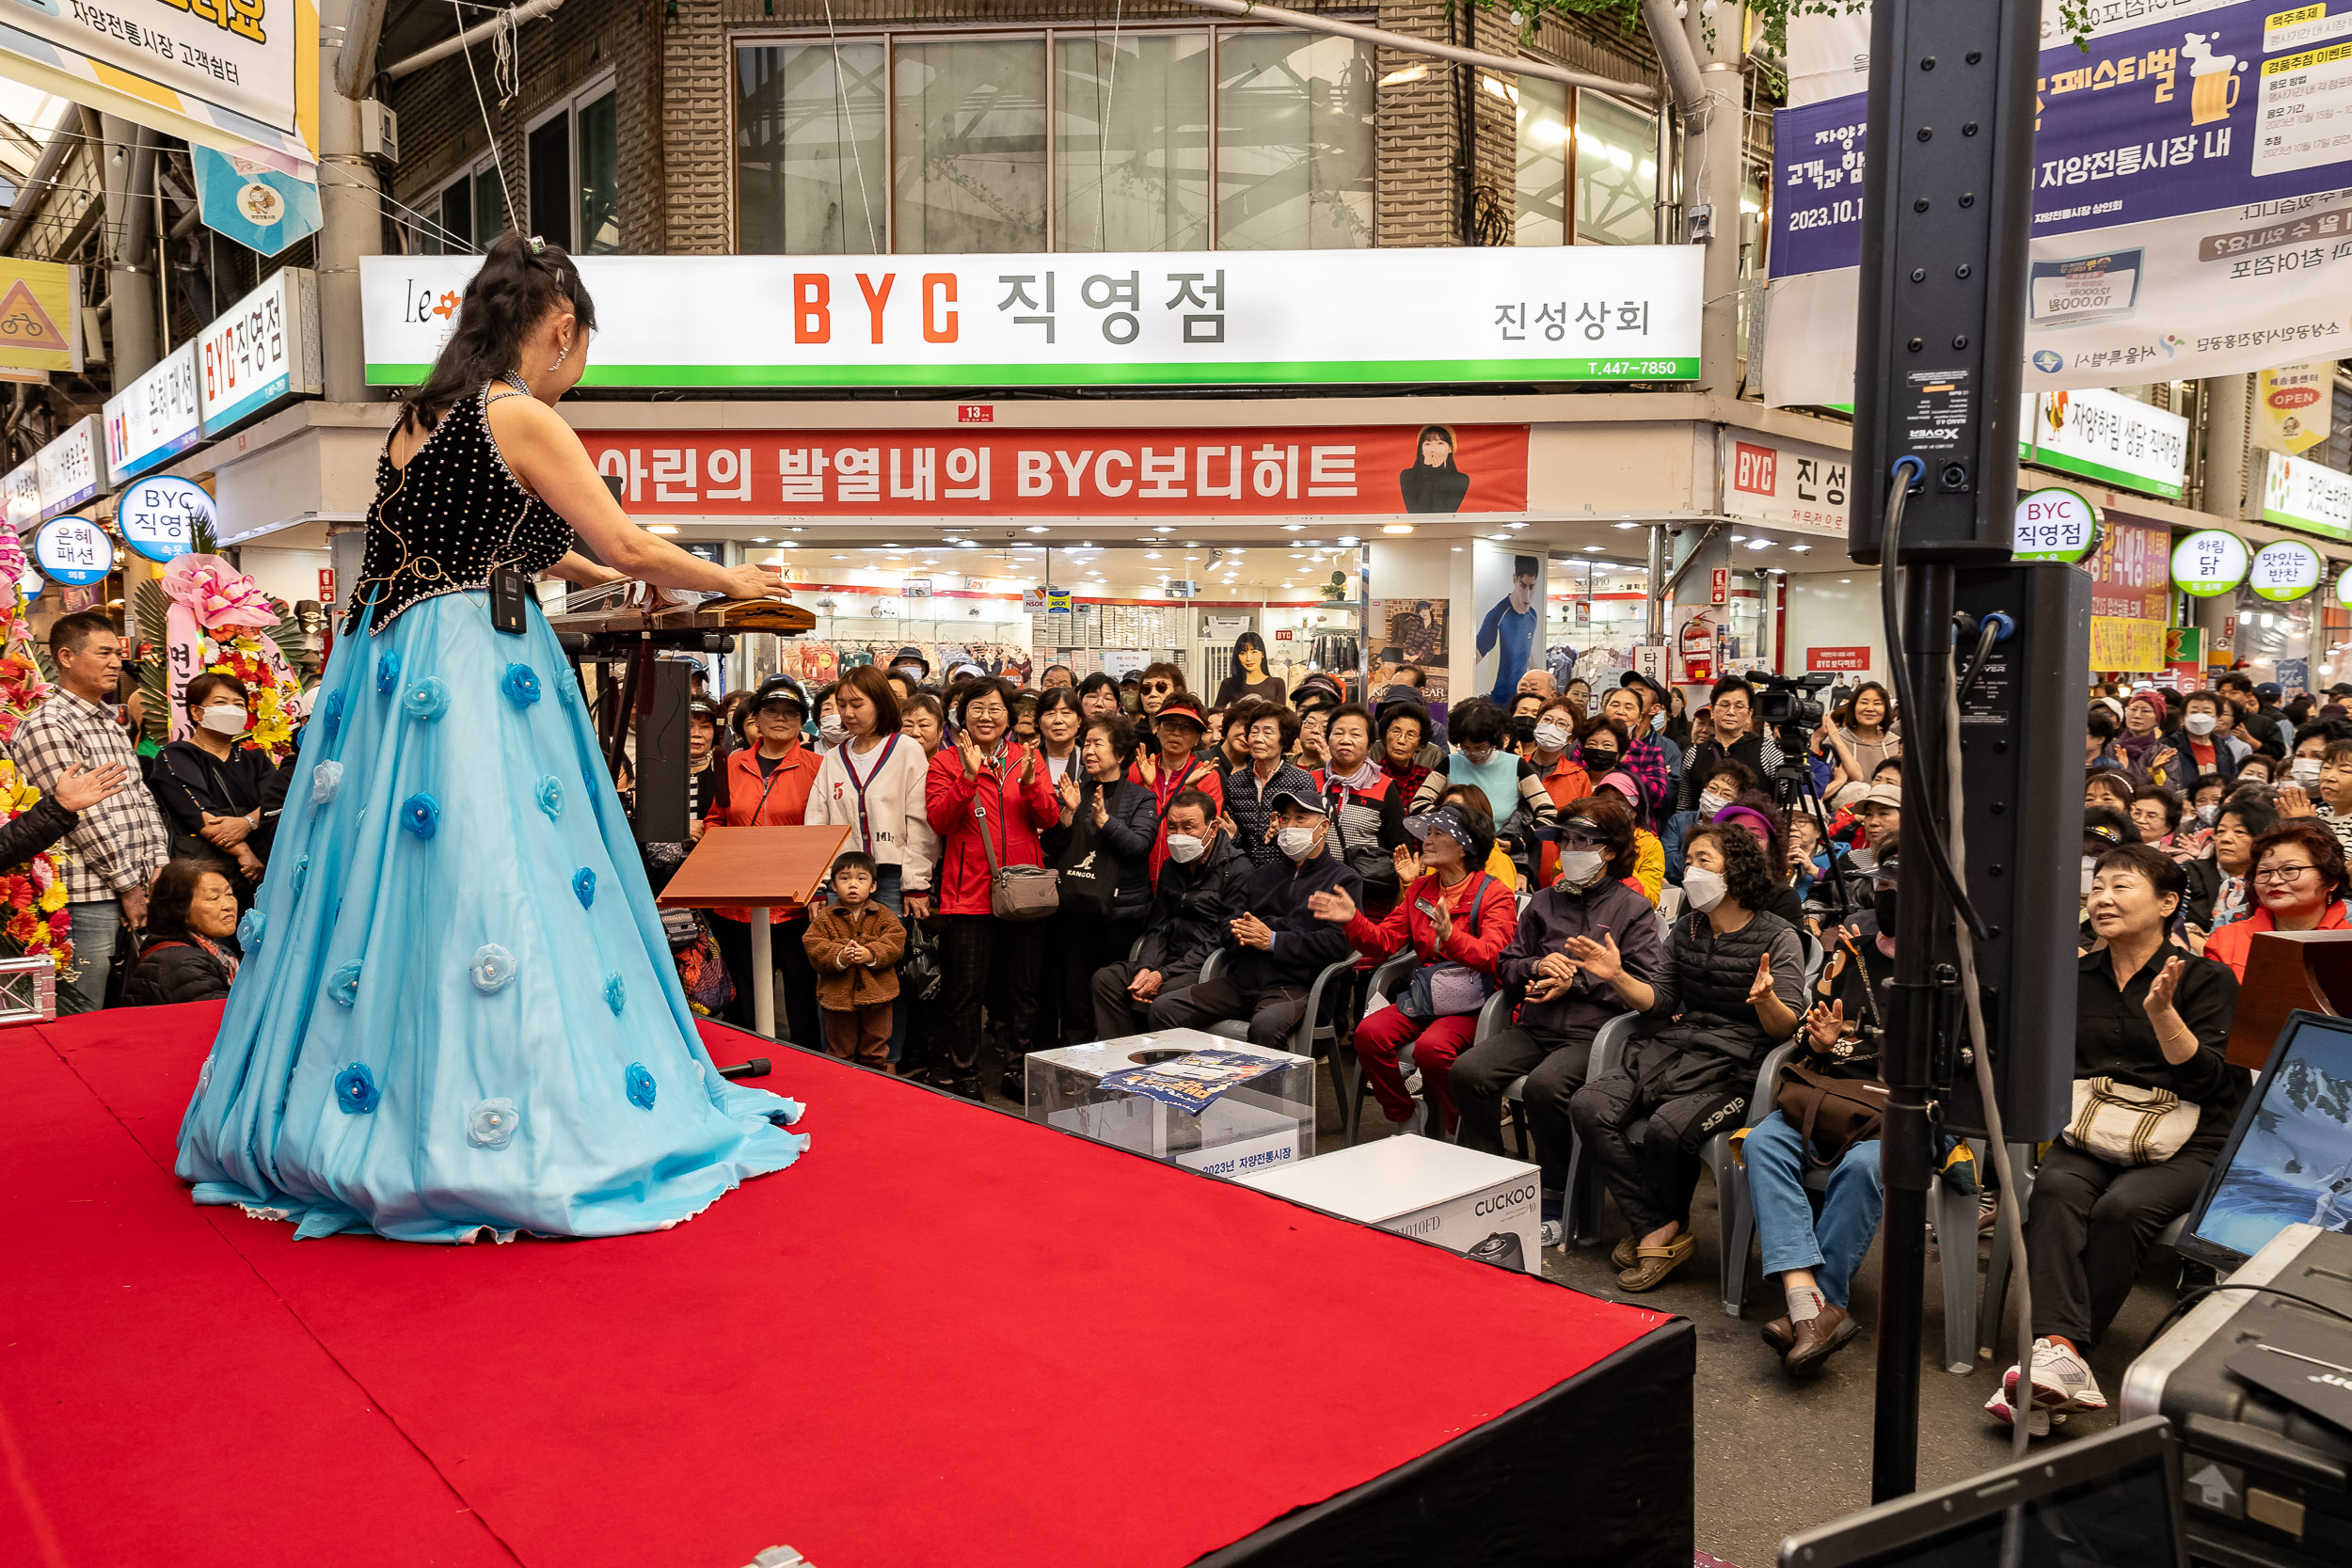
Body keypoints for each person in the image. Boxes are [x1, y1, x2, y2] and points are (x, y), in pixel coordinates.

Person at [177, 234, 809, 1241]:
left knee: (393, 880)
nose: (579, 367)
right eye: (582, 347)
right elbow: (624, 539)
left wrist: (609, 575)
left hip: (389, 670)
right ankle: (498, 1109)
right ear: (561, 326)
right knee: (494, 861)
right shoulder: (518, 412)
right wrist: (735, 579)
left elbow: (514, 540)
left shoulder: (419, 420)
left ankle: (371, 1095)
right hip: (476, 662)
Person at [1991, 845, 2241, 1433]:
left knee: (2122, 1210)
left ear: (2168, 903)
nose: (2102, 897)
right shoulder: (2074, 976)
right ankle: (2061, 1356)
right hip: (2096, 1124)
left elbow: (2215, 1081)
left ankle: (2056, 1364)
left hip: (2190, 1137)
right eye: (2097, 885)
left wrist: (2163, 1016)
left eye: (2121, 886)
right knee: (2053, 1189)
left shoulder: (2206, 979)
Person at [1565, 821, 1804, 1291]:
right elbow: (1662, 1001)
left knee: (1668, 1126)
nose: (1690, 870)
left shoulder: (1780, 938)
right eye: (1689, 859)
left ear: (1734, 871)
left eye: (1703, 861)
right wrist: (1616, 975)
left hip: (1740, 1064)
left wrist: (1768, 1002)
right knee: (1588, 1104)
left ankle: (1661, 1227)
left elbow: (1789, 1030)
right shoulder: (1687, 927)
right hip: (1680, 1048)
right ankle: (1656, 1225)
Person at [1453, 794, 1663, 1231]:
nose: (1569, 850)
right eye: (1564, 840)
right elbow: (1507, 964)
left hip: (1595, 1034)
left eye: (1582, 842)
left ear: (1608, 850)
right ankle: (1496, 1175)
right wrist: (1535, 966)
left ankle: (1557, 1189)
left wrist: (1579, 981)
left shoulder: (1632, 909)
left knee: (1545, 1089)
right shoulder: (1544, 902)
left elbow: (1647, 988)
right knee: (1468, 1072)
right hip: (1536, 1025)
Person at [1744, 858, 1897, 1376]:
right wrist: (1821, 1040)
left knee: (1864, 1167)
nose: (1890, 899)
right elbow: (1816, 1032)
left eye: (1902, 889)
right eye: (1884, 887)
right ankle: (1806, 1298)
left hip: (1904, 1111)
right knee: (1762, 1141)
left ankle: (1815, 1305)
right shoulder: (1851, 951)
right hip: (1834, 1095)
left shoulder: (1954, 969)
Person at [1313, 800, 1518, 1135]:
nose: (1427, 841)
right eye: (1428, 833)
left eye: (1438, 834)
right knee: (1368, 1034)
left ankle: (1458, 1128)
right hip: (1427, 996)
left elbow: (1496, 956)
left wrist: (1451, 937)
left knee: (1431, 1049)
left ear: (1465, 846)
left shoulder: (1494, 893)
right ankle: (1405, 1115)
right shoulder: (1421, 887)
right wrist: (1354, 920)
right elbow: (1384, 943)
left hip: (1475, 1002)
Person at [13, 611, 171, 1000]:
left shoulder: (108, 721)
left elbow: (140, 799)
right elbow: (82, 817)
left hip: (135, 883)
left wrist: (158, 868)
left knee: (130, 1002)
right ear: (66, 657)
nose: (116, 662)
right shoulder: (49, 724)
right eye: (104, 653)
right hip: (88, 896)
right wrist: (126, 885)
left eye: (117, 653)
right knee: (86, 1006)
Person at [925, 675, 1058, 1101]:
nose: (986, 716)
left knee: (1023, 989)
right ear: (962, 714)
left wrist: (1033, 783)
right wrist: (966, 778)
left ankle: (1018, 1068)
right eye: (977, 707)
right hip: (968, 895)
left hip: (1023, 892)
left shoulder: (1027, 758)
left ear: (1010, 717)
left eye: (995, 708)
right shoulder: (944, 762)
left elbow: (1051, 819)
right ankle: (966, 1074)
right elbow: (940, 822)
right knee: (966, 992)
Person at [1148, 784, 1363, 1046]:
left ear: (1324, 826)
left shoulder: (1344, 880)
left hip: (1297, 987)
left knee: (1265, 1027)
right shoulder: (1262, 875)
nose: (1290, 826)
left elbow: (1337, 944)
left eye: (1300, 818)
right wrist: (1254, 934)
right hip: (1241, 981)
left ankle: (1265, 1088)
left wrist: (1272, 938)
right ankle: (1188, 1082)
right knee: (1165, 1007)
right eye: (1285, 819)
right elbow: (1228, 927)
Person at [804, 665, 936, 1059]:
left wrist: (916, 881)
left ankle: (887, 1060)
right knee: (834, 970)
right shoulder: (833, 758)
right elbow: (818, 823)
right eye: (842, 704)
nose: (847, 713)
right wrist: (819, 883)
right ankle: (838, 1057)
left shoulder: (906, 750)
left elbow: (920, 822)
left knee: (884, 969)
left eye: (856, 704)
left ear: (880, 704)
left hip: (891, 880)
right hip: (841, 881)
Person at [704, 674, 826, 1043]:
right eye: (771, 710)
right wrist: (723, 846)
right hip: (739, 902)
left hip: (795, 902)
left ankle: (807, 1064)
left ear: (801, 720)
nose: (780, 718)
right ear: (755, 717)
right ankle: (751, 1058)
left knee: (802, 995)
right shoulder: (731, 764)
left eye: (790, 712)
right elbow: (715, 818)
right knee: (747, 996)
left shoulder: (817, 767)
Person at [1090, 790, 1248, 1037]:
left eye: (1189, 827)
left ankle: (1160, 1066)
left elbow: (1223, 938)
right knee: (1106, 980)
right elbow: (1158, 925)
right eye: (1172, 828)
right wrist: (1146, 966)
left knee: (1161, 996)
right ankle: (1126, 1058)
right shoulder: (1172, 867)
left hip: (1207, 966)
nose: (1178, 836)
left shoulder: (1238, 869)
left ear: (1213, 828)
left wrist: (1161, 975)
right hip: (1166, 959)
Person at [1044, 710, 1157, 1044]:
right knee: (1074, 994)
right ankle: (1074, 1060)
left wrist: (1106, 821)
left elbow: (1139, 846)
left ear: (1120, 754)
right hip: (1074, 910)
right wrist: (1066, 813)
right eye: (1086, 744)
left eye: (1098, 744)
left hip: (1119, 915)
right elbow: (1051, 848)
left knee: (1111, 993)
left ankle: (1115, 1061)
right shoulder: (1075, 792)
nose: (1089, 751)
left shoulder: (1141, 797)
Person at [148, 672, 278, 902]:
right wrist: (245, 853)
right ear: (196, 712)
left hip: (260, 878)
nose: (231, 709)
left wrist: (246, 823)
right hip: (205, 880)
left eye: (238, 704)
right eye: (220, 702)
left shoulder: (256, 758)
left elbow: (277, 803)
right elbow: (202, 817)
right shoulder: (177, 754)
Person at [1408, 698, 1558, 874]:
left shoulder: (1515, 765)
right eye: (1466, 748)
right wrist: (1450, 825)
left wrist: (1519, 843)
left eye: (1480, 748)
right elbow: (1417, 805)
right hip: (1455, 860)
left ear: (1496, 740)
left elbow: (1548, 813)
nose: (1472, 755)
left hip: (1500, 862)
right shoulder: (1451, 762)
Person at [2200, 819, 2351, 978]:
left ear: (2331, 881)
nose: (2274, 880)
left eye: (2290, 869)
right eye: (2264, 872)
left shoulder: (2347, 941)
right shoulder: (2226, 940)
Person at [801, 850, 906, 1068]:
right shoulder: (825, 918)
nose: (853, 885)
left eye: (861, 879)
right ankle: (842, 1089)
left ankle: (874, 1089)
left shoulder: (884, 914)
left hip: (878, 998)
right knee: (840, 1051)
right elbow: (813, 944)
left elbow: (895, 942)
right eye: (845, 878)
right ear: (833, 886)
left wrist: (871, 954)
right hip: (837, 1000)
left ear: (873, 886)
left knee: (875, 1051)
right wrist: (839, 956)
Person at [1316, 703, 1408, 914]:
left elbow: (1399, 843)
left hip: (1365, 893)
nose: (1345, 740)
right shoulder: (1311, 781)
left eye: (1355, 734)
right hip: (1316, 888)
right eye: (1338, 733)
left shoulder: (1383, 786)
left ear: (1369, 746)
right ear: (1328, 740)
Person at [120, 858, 244, 1006]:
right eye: (214, 898)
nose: (228, 905)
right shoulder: (182, 964)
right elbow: (219, 1020)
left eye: (229, 894)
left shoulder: (217, 952)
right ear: (179, 909)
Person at [1131, 691, 1221, 886]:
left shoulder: (1206, 775)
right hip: (1138, 873)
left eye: (1186, 728)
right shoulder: (1139, 767)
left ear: (1197, 737)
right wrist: (1147, 786)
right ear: (1157, 728)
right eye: (1169, 725)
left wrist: (1190, 789)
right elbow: (1129, 822)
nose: (1176, 733)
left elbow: (1205, 834)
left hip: (1184, 875)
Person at [642, 695, 729, 894]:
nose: (696, 734)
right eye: (688, 725)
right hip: (664, 881)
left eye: (705, 726)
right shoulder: (656, 774)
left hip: (716, 876)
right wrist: (679, 831)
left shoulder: (726, 772)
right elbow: (646, 832)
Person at [1224, 704, 1320, 867]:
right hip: (1244, 876)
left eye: (1268, 732)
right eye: (1254, 732)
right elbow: (1234, 840)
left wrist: (1284, 832)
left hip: (1286, 874)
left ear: (1284, 739)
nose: (1258, 739)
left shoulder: (1301, 780)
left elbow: (1310, 836)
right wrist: (1234, 836)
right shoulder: (1234, 782)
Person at [1664, 758, 1760, 885]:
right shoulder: (1679, 820)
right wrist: (1707, 864)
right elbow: (1666, 862)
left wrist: (1690, 863)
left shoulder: (1735, 833)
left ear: (1736, 802)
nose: (1716, 796)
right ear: (1705, 787)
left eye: (1726, 794)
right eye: (1713, 788)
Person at [1476, 555, 1540, 707]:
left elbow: (1526, 651)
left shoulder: (1533, 616)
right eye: (1523, 586)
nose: (1527, 595)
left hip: (1521, 702)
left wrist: (1540, 675)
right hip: (1497, 702)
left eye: (1532, 587)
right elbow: (1473, 658)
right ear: (1515, 579)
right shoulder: (1497, 615)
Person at [1821, 681, 1899, 792]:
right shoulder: (1833, 741)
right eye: (1864, 702)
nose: (1870, 708)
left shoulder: (1896, 744)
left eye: (1877, 703)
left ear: (1886, 709)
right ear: (1853, 707)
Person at [2167, 689, 2240, 785]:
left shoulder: (2224, 750)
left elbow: (2232, 782)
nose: (2200, 717)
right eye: (2194, 711)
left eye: (2207, 712)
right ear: (2183, 718)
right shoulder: (2169, 746)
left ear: (2217, 718)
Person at [1375, 689, 1434, 803]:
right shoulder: (1370, 776)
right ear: (1385, 735)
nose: (1401, 740)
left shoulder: (1429, 778)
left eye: (1411, 735)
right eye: (1396, 732)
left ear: (1419, 744)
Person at [1399, 423, 1471, 513]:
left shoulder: (1461, 479)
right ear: (1421, 449)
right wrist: (1428, 476)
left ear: (1450, 449)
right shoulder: (1407, 476)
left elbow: (1444, 514)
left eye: (1440, 443)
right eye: (1428, 444)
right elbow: (1417, 513)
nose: (1433, 450)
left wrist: (1438, 474)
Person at [1214, 632, 1287, 710]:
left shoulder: (1277, 684)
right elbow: (1216, 715)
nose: (1249, 658)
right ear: (1237, 657)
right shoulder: (1228, 684)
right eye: (1243, 653)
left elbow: (1281, 718)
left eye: (1254, 652)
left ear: (1262, 654)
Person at [1031, 686, 1083, 786]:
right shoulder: (1030, 761)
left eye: (1066, 713)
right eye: (1050, 714)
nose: (1058, 720)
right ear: (1039, 723)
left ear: (1079, 721)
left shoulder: (1089, 760)